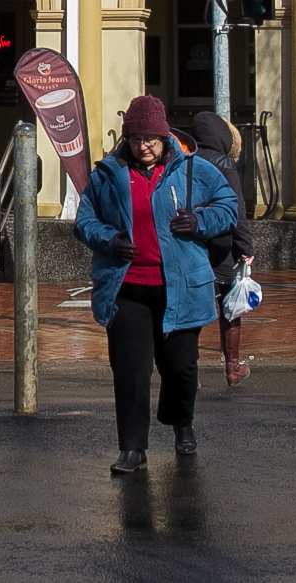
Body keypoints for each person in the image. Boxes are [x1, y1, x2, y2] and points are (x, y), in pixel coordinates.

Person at [76, 94, 239, 472]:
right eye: (136, 139)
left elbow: (229, 207)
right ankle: (132, 448)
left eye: (150, 139)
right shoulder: (108, 174)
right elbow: (85, 220)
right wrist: (109, 239)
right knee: (131, 371)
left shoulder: (194, 170)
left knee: (181, 368)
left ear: (165, 137)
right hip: (127, 288)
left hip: (180, 287)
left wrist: (200, 221)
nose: (143, 146)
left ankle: (181, 422)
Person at [185, 111, 256, 385]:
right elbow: (236, 210)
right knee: (230, 307)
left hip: (191, 243)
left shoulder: (185, 160)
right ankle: (232, 367)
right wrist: (245, 247)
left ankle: (190, 371)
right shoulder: (224, 163)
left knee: (193, 309)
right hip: (222, 246)